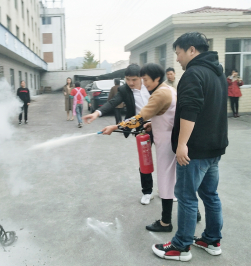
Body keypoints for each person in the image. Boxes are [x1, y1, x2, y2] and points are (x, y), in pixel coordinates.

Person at [152, 32, 228, 262]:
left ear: (192, 50)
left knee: (186, 196)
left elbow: (191, 111)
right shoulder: (218, 72)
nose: (177, 59)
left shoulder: (194, 74)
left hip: (194, 150)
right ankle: (212, 239)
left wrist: (182, 144)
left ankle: (180, 246)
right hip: (214, 147)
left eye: (179, 53)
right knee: (210, 195)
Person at [101, 63, 179, 232]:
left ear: (156, 78)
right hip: (160, 133)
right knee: (158, 168)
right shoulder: (167, 89)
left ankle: (167, 219)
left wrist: (116, 127)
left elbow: (141, 116)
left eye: (144, 79)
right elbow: (161, 115)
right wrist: (152, 123)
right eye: (140, 79)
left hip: (166, 139)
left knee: (166, 175)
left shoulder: (159, 93)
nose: (141, 83)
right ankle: (150, 192)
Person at [83, 64, 155, 205]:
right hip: (141, 127)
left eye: (133, 79)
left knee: (167, 159)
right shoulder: (124, 89)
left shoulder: (151, 86)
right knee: (145, 160)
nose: (130, 83)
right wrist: (97, 113)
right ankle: (147, 192)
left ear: (141, 78)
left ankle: (169, 190)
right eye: (127, 79)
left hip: (160, 124)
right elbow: (112, 102)